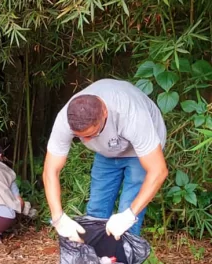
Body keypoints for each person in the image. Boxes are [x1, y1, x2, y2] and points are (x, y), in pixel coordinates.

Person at [43, 79, 168, 242]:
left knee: (127, 213)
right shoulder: (65, 119)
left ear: (104, 113)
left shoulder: (131, 115)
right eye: (79, 137)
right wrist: (58, 217)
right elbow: (51, 170)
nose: (86, 141)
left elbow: (158, 171)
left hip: (142, 151)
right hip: (106, 151)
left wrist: (128, 215)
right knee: (96, 210)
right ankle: (97, 261)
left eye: (90, 134)